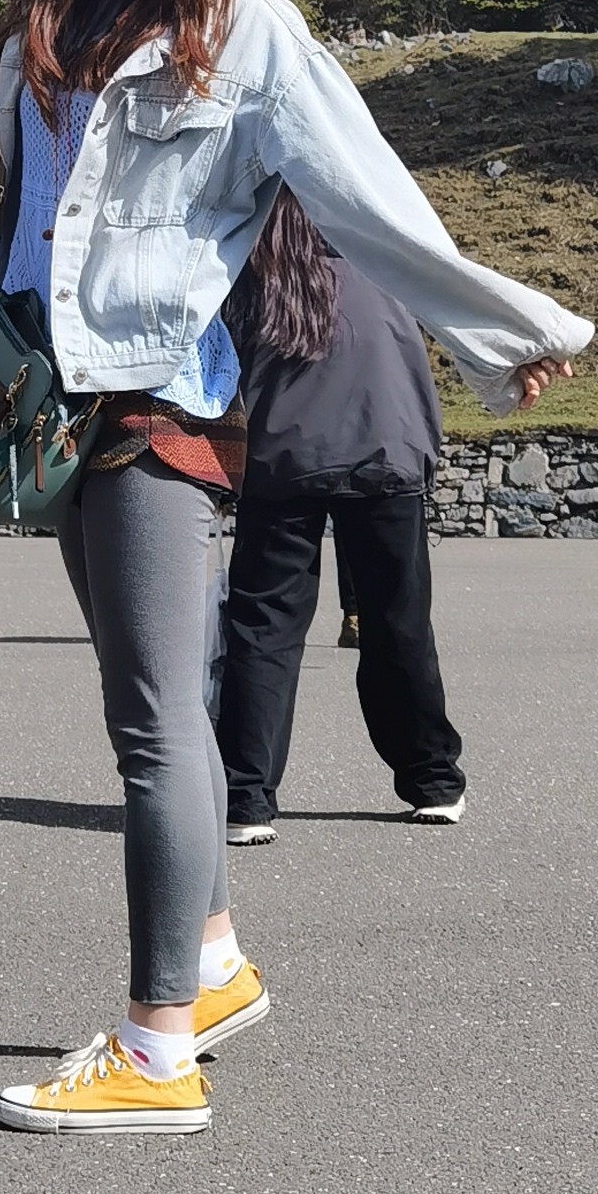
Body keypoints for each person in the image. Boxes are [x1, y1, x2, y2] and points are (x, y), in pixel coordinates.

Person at [0, 0, 592, 1137]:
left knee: (150, 727)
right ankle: (210, 961)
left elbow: (371, 197)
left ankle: (154, 1051)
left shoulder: (250, 31)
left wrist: (503, 335)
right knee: (161, 705)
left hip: (152, 399)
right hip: (46, 391)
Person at [215, 191, 465, 845]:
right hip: (385, 454)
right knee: (397, 623)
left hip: (279, 461)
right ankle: (431, 780)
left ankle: (247, 796)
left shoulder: (250, 266)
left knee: (263, 630)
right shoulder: (383, 259)